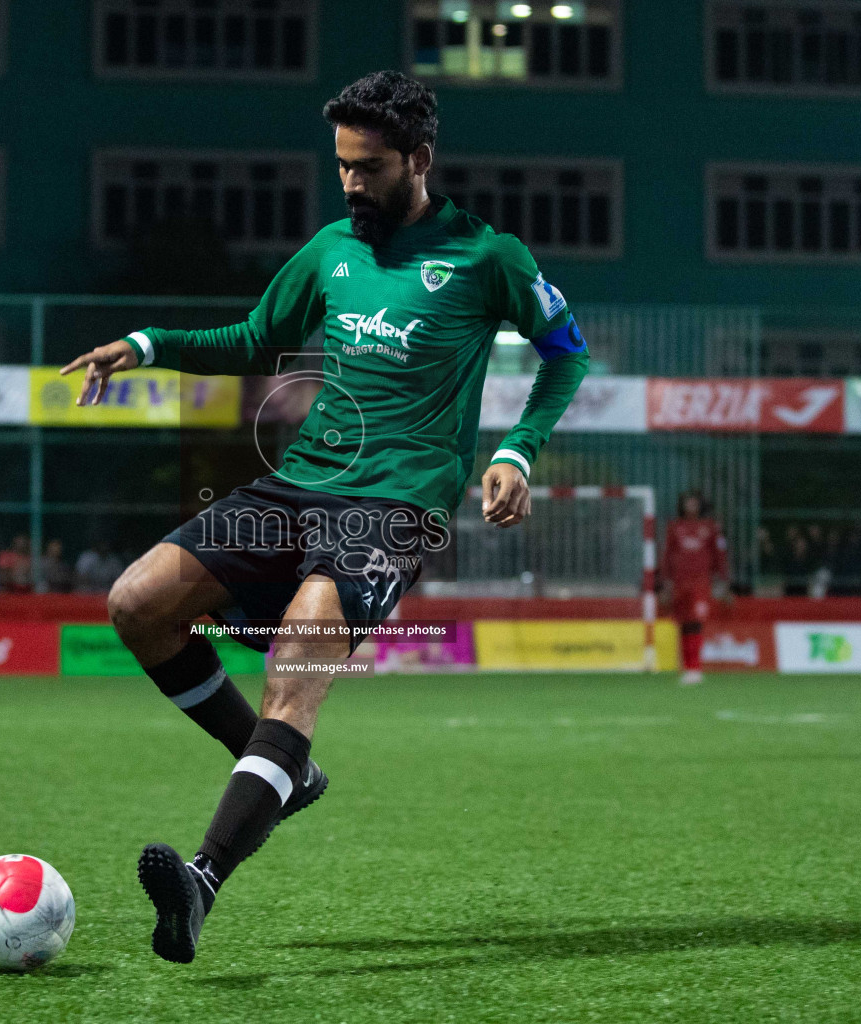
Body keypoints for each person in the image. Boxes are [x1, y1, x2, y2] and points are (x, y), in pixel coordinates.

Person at [60, 70, 589, 963]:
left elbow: (564, 355)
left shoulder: (489, 256)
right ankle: (283, 771)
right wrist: (148, 344)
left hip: (396, 504)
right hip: (300, 483)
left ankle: (204, 878)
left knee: (298, 665)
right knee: (137, 603)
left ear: (420, 159)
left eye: (369, 167)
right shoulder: (329, 251)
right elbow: (253, 340)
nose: (350, 182)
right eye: (341, 165)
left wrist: (516, 449)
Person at [661, 491, 729, 685]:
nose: (691, 506)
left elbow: (719, 555)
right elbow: (667, 555)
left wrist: (723, 581)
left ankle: (696, 667)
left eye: (694, 502)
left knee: (696, 621)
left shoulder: (710, 527)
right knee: (684, 624)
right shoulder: (675, 527)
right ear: (682, 505)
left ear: (700, 505)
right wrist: (665, 582)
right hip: (679, 583)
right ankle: (688, 667)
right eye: (687, 502)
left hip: (700, 583)